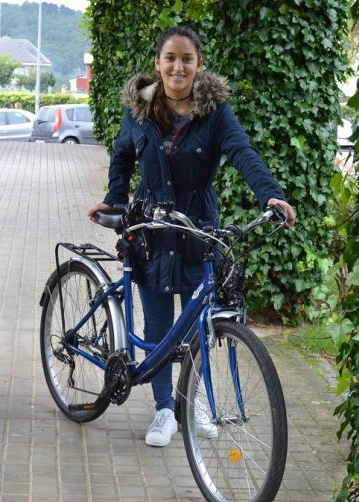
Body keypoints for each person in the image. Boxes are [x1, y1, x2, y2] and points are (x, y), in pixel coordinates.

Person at [87, 26, 296, 447]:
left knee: (196, 325)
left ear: (198, 66)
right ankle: (165, 409)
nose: (178, 66)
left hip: (198, 227)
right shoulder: (139, 111)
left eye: (187, 59)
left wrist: (271, 195)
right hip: (149, 228)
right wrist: (114, 199)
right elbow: (123, 155)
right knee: (161, 324)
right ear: (158, 64)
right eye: (170, 58)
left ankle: (192, 401)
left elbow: (242, 151)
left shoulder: (215, 112)